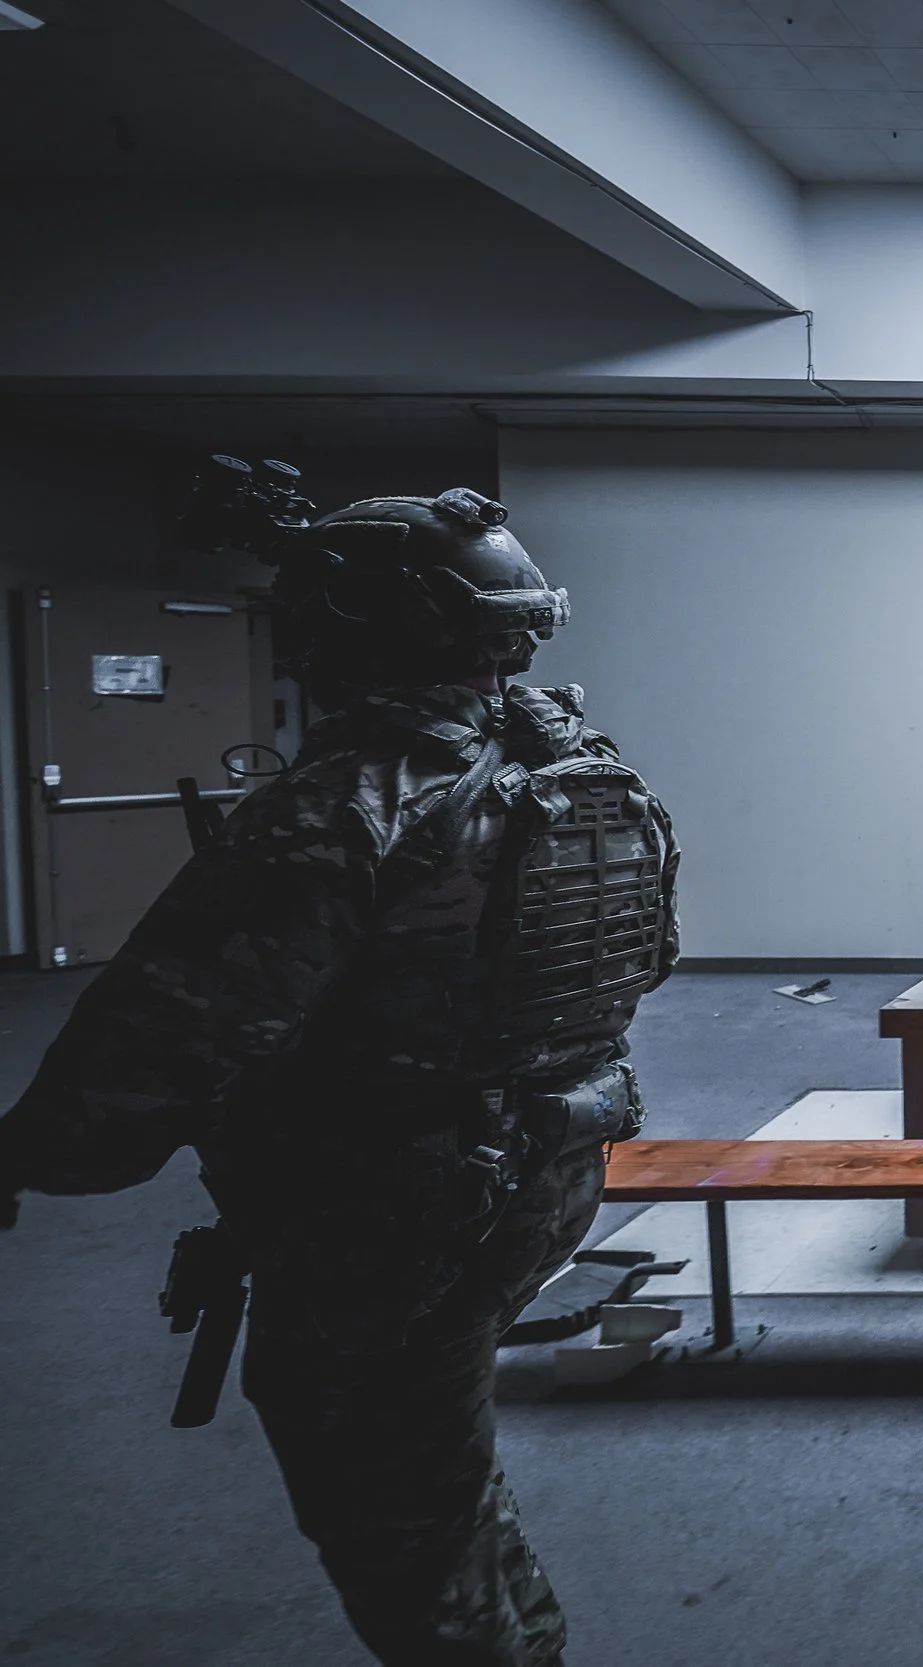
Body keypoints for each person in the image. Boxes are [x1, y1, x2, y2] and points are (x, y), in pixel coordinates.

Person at [0, 482, 678, 1667]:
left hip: (392, 1199)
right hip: (546, 1163)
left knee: (389, 1489)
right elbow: (649, 957)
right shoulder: (582, 773)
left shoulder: (338, 810)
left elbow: (148, 1057)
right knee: (436, 1444)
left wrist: (29, 1154)